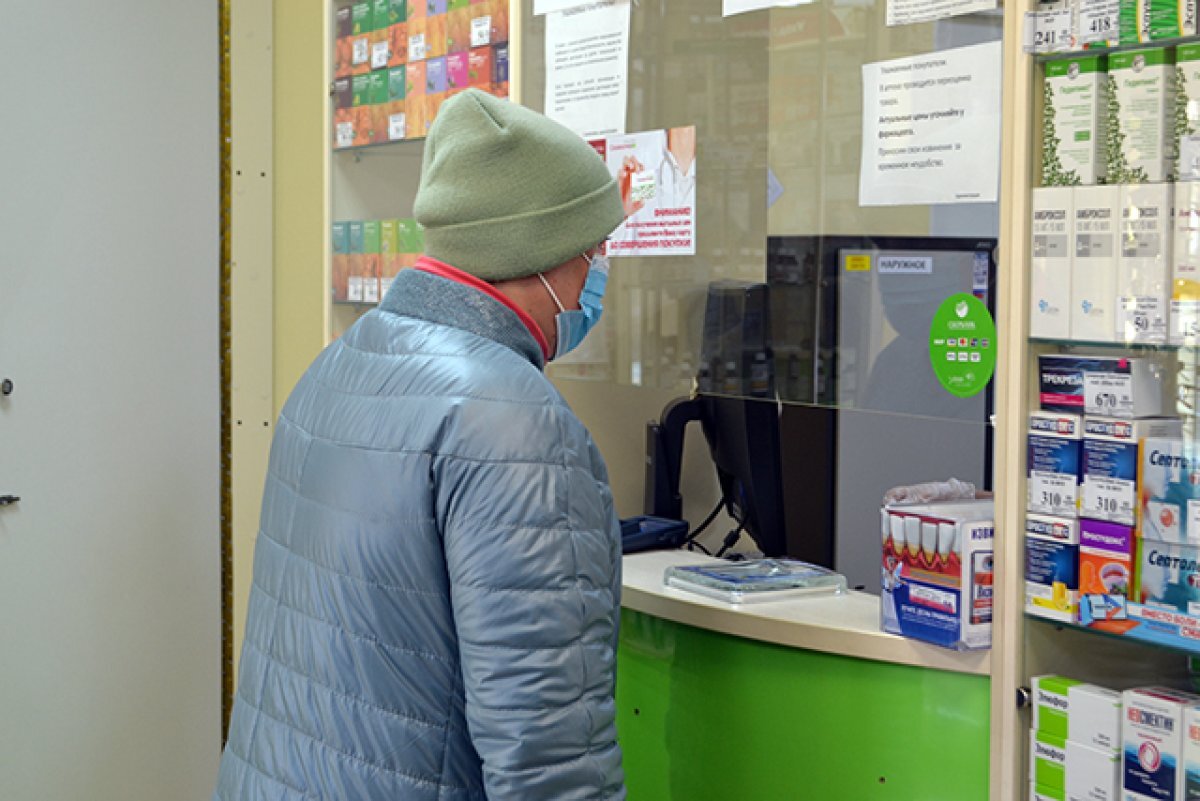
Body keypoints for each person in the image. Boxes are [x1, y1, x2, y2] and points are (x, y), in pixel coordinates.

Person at [214, 88, 627, 800]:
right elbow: (549, 752)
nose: (599, 273)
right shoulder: (515, 424)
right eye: (596, 249)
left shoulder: (337, 367)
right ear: (542, 255)